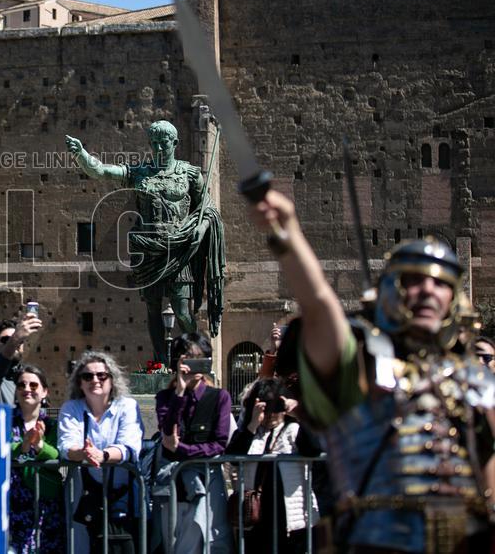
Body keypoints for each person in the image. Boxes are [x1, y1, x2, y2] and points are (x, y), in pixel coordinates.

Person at [248, 190, 495, 552]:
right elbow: (318, 305)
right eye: (414, 279)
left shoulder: (475, 380)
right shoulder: (365, 364)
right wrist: (287, 232)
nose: (428, 289)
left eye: (441, 282)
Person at [65, 121, 226, 359]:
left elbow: (208, 209)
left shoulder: (190, 174)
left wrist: (200, 230)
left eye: (164, 143)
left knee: (182, 312)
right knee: (152, 308)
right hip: (148, 249)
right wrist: (82, 155)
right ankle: (161, 362)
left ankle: (200, 357)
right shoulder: (140, 172)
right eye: (155, 143)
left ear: (175, 143)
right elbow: (101, 171)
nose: (160, 148)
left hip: (179, 249)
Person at [153, 332, 233, 553]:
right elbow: (167, 431)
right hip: (174, 486)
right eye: (188, 358)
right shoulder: (165, 397)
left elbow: (219, 443)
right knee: (177, 544)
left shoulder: (220, 397)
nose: (194, 365)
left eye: (200, 358)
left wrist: (182, 450)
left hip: (207, 482)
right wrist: (179, 391)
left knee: (210, 541)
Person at [59, 351, 143, 554]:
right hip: (84, 497)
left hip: (122, 497)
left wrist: (102, 455)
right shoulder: (71, 408)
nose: (95, 380)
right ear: (79, 383)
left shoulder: (127, 406)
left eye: (101, 375)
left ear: (112, 380)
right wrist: (83, 453)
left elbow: (130, 446)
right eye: (87, 376)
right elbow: (66, 445)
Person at [226, 378, 320, 552]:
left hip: (290, 516)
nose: (270, 414)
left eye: (275, 407)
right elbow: (232, 456)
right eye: (266, 408)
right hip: (256, 515)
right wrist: (253, 423)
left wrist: (299, 414)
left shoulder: (294, 430)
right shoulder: (250, 431)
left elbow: (314, 448)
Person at [9, 364, 65, 554]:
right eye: (21, 385)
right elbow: (0, 448)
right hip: (13, 506)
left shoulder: (51, 425)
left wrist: (40, 445)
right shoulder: (5, 421)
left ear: (44, 392)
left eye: (33, 386)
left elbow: (58, 455)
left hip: (45, 507)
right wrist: (23, 445)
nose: (27, 389)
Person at [0, 313, 42, 404]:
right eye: (5, 340)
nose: (16, 343)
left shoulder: (30, 377)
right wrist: (16, 337)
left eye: (20, 340)